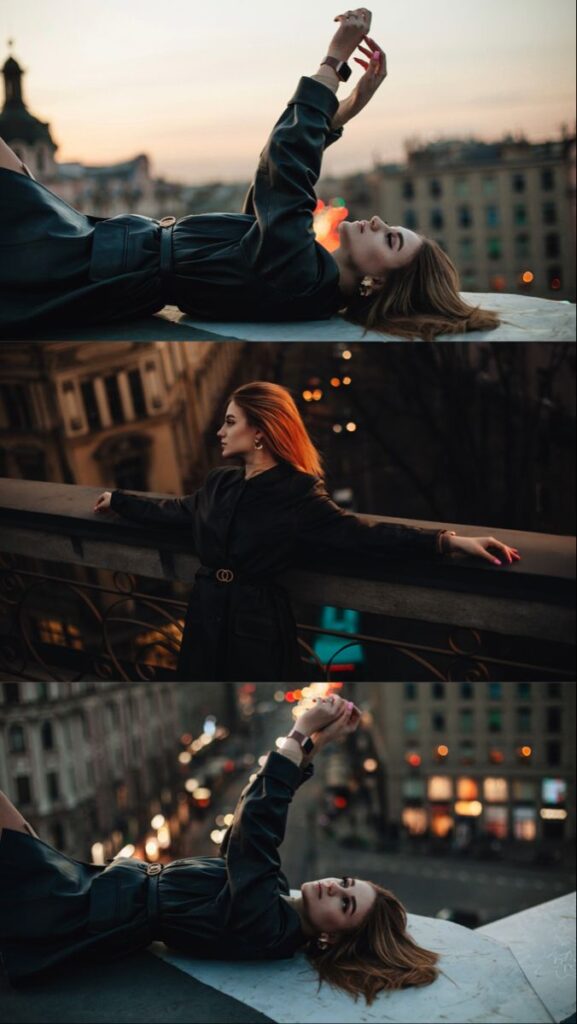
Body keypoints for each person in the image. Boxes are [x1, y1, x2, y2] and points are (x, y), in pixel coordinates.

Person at [0, 9, 501, 340]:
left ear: (375, 283)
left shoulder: (306, 278)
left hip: (97, 263)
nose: (376, 221)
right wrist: (342, 113)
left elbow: (285, 170)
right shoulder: (306, 280)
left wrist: (333, 61)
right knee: (16, 173)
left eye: (391, 239)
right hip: (105, 258)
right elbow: (265, 202)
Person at [0, 694, 439, 1003]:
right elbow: (242, 832)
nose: (334, 888)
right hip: (94, 896)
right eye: (347, 884)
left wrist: (300, 730)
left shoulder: (270, 927)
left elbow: (255, 836)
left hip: (84, 912)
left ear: (330, 937)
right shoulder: (275, 908)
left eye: (345, 904)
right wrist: (311, 749)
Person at [93, 380, 521, 682]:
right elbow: (174, 512)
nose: (220, 431)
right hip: (204, 617)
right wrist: (119, 501)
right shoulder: (219, 482)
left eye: (229, 421)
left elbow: (364, 535)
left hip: (256, 627)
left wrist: (448, 541)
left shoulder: (297, 493)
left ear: (259, 431)